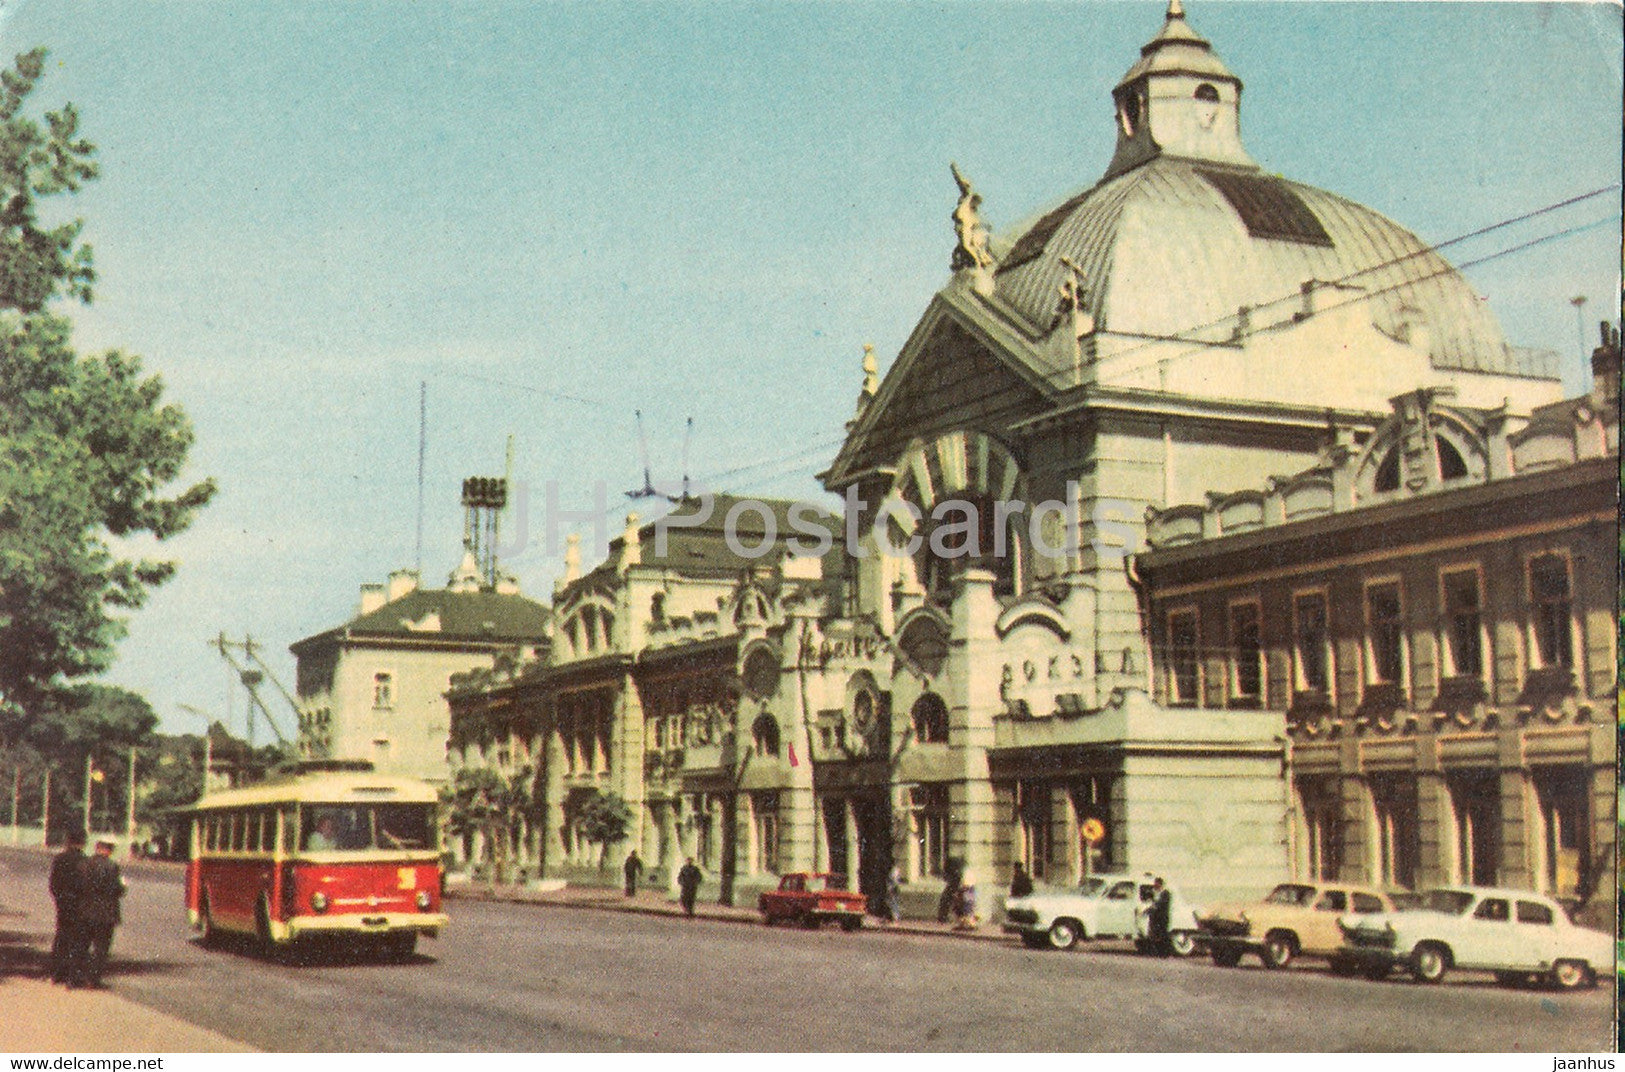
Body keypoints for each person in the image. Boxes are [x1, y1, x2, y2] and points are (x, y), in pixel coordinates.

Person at [70, 840, 126, 989]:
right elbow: (118, 890)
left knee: (81, 946)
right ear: (109, 850)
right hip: (105, 915)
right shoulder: (112, 866)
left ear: (97, 848)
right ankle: (93, 980)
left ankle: (74, 978)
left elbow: (76, 887)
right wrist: (123, 888)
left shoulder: (83, 864)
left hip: (85, 911)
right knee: (101, 949)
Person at [48, 830, 87, 985]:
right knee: (77, 939)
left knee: (61, 936)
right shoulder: (85, 861)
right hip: (79, 903)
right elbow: (85, 884)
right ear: (83, 842)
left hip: (63, 902)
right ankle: (72, 974)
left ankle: (57, 973)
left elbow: (53, 883)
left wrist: (59, 898)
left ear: (68, 840)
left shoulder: (60, 859)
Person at [1143, 876, 1172, 957]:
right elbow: (1152, 903)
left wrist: (1150, 909)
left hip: (1162, 917)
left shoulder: (1166, 893)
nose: (1155, 885)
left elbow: (1159, 904)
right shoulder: (1155, 893)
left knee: (1163, 935)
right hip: (1154, 917)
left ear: (1160, 884)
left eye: (1157, 883)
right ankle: (1157, 952)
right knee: (1154, 935)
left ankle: (1165, 953)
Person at [936, 857, 964, 923]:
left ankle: (944, 918)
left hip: (956, 885)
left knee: (950, 899)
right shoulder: (954, 881)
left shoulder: (954, 882)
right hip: (956, 885)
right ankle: (945, 917)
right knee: (951, 900)